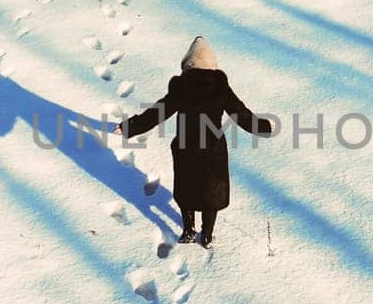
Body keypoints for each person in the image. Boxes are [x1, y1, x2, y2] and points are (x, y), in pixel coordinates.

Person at [116, 37, 275, 247]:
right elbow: (241, 114)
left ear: (188, 64)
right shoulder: (220, 88)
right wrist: (264, 127)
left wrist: (130, 127)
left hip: (186, 147)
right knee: (212, 195)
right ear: (212, 65)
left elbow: (157, 113)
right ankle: (207, 235)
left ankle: (188, 230)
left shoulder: (181, 87)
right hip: (213, 150)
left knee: (187, 190)